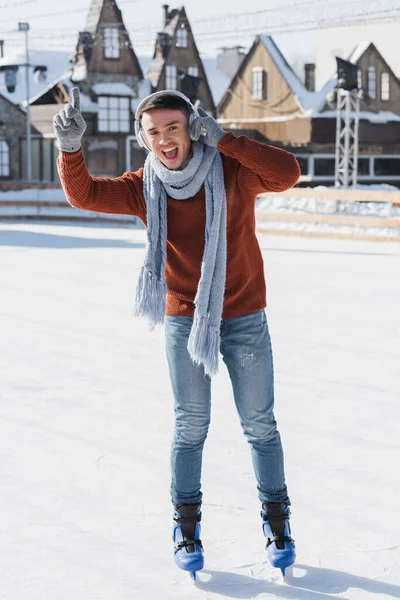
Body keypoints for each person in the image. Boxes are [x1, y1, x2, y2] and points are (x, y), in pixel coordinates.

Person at [53, 87, 300, 579]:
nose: (166, 139)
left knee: (260, 424)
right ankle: (185, 529)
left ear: (192, 126)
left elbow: (287, 173)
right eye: (154, 132)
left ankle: (278, 525)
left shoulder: (231, 169)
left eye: (174, 127)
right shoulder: (145, 186)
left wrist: (227, 139)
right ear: (143, 139)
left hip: (245, 315)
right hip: (185, 318)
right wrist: (70, 150)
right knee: (191, 426)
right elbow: (83, 194)